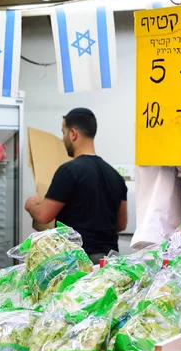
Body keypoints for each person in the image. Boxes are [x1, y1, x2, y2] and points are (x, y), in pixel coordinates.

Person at [25, 108, 128, 264]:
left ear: (73, 133)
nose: (62, 139)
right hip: (110, 261)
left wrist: (31, 205)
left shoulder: (69, 171)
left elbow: (43, 215)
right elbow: (121, 224)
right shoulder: (116, 176)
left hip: (78, 262)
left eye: (63, 132)